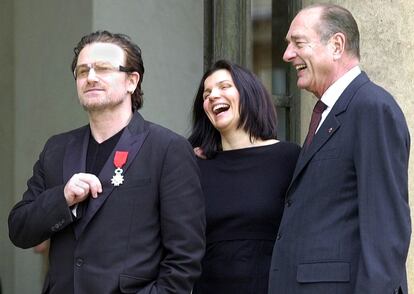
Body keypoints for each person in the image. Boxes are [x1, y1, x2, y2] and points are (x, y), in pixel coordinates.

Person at [8, 30, 205, 294]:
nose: (90, 78)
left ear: (132, 81)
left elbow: (185, 256)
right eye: (82, 71)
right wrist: (63, 199)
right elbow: (20, 229)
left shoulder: (167, 148)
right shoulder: (57, 148)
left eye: (102, 68)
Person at [268, 4, 411, 294]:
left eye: (298, 43)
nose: (287, 54)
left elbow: (385, 232)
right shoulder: (327, 113)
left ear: (336, 45)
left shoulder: (372, 108)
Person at [189, 59, 301, 293]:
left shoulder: (288, 157)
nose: (212, 96)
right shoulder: (194, 165)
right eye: (206, 93)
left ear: (249, 94)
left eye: (224, 86)